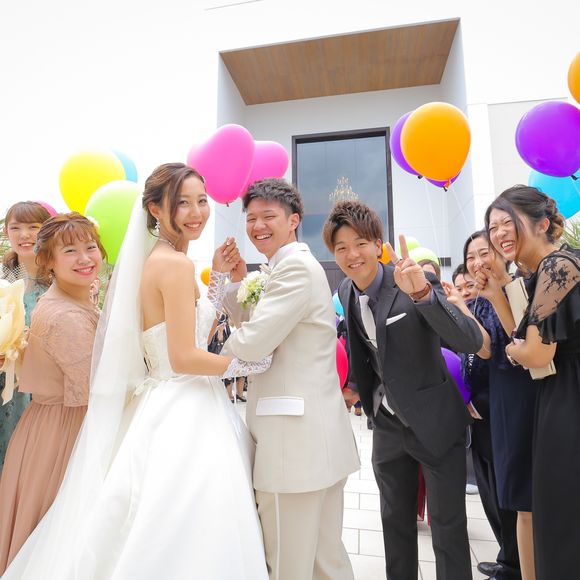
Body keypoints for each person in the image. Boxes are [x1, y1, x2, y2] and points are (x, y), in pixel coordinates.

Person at [2, 163, 270, 579]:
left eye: (202, 201)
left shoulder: (156, 259)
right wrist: (253, 364)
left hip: (164, 397)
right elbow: (183, 357)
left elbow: (182, 331)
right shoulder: (175, 265)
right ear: (155, 210)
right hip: (185, 402)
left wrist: (218, 279)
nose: (196, 212)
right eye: (182, 202)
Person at [323, 200, 483, 580]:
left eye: (360, 244)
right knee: (394, 524)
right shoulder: (346, 289)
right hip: (388, 426)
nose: (351, 255)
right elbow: (364, 348)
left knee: (447, 529)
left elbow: (470, 339)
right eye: (341, 247)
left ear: (378, 244)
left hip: (435, 423)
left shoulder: (410, 279)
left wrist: (423, 295)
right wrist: (356, 389)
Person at [222, 178, 360, 580]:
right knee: (324, 562)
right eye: (251, 218)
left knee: (287, 565)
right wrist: (237, 283)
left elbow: (253, 344)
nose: (257, 226)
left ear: (293, 220)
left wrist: (200, 357)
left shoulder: (295, 267)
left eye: (268, 216)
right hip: (312, 443)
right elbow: (270, 328)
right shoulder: (287, 267)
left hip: (292, 447)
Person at [485, 185, 580, 580]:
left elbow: (536, 354)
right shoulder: (546, 269)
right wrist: (497, 295)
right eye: (492, 227)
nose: (499, 233)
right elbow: (527, 341)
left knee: (560, 515)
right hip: (558, 392)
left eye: (508, 222)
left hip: (568, 398)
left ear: (542, 224)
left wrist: (513, 352)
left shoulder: (558, 267)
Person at [0, 213, 104, 574]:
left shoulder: (73, 301)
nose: (85, 258)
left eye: (90, 247)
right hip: (65, 432)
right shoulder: (65, 316)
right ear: (48, 262)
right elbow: (96, 390)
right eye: (70, 251)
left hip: (52, 426)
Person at [466, 227, 539, 580]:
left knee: (519, 490)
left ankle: (518, 564)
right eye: (470, 257)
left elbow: (519, 341)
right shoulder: (479, 299)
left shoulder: (521, 287)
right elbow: (481, 350)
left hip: (520, 394)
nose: (477, 262)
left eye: (484, 253)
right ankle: (511, 560)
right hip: (490, 397)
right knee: (500, 487)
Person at [448, 250, 523, 580]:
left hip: (497, 413)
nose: (465, 291)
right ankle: (507, 556)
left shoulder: (496, 307)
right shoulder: (472, 310)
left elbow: (490, 352)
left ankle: (514, 563)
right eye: (459, 287)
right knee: (490, 493)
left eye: (468, 285)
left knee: (507, 497)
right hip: (475, 417)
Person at [0, 201, 51, 470]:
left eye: (33, 227)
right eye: (15, 228)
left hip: (42, 387)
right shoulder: (3, 278)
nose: (24, 235)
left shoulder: (59, 280)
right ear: (6, 232)